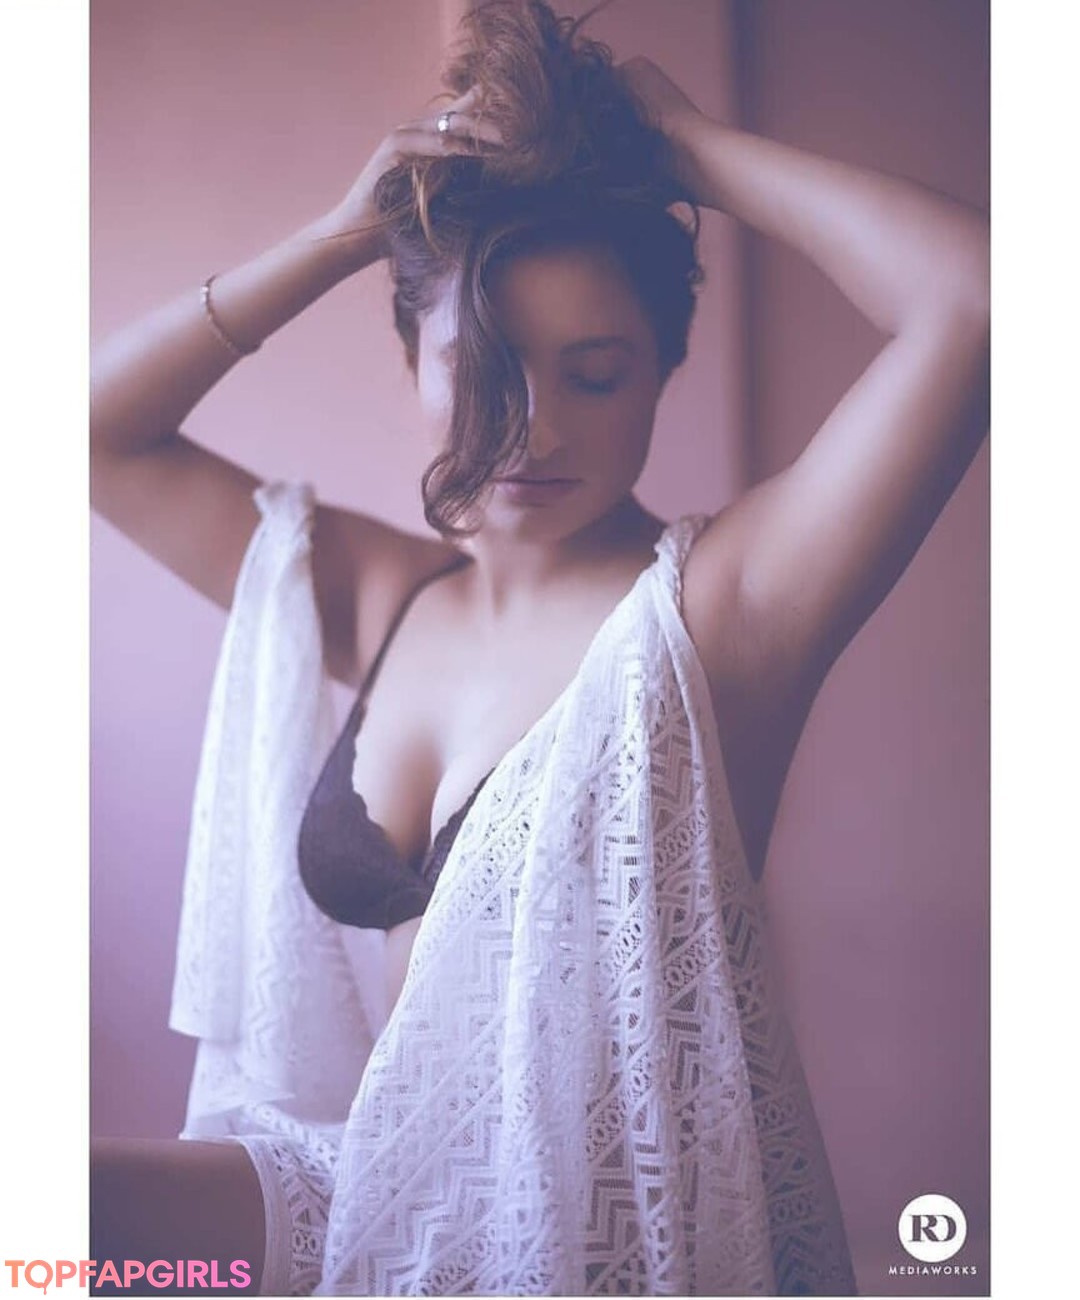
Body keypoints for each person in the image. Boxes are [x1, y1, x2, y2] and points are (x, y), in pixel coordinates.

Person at [89, 2, 989, 1295]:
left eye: (595, 374)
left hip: (586, 1239)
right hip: (370, 1187)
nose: (532, 428)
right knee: (55, 1224)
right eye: (482, 366)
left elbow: (980, 297)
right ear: (411, 355)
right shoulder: (385, 597)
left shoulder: (718, 614)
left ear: (664, 371)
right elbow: (91, 433)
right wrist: (345, 234)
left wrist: (692, 149)